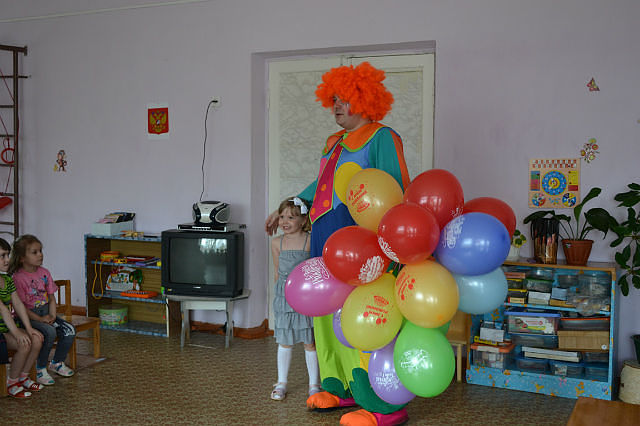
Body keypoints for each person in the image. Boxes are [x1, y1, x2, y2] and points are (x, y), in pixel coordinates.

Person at [265, 62, 411, 426]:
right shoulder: (334, 144)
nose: (337, 106)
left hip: (360, 247)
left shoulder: (382, 137)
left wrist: (391, 249)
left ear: (367, 100)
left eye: (345, 99)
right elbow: (318, 189)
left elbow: (395, 192)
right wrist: (286, 207)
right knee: (327, 316)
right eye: (334, 100)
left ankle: (382, 405)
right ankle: (340, 386)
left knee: (360, 318)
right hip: (324, 241)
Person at [269, 197, 321, 401]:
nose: (285, 221)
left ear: (303, 220)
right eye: (282, 217)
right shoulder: (277, 242)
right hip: (284, 299)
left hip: (306, 298)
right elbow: (277, 272)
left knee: (310, 342)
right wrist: (278, 300)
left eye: (291, 217)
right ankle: (281, 382)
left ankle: (314, 385)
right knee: (285, 342)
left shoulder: (310, 240)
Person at [10, 234, 76, 386]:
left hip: (46, 313)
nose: (40, 255)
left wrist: (52, 315)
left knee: (69, 330)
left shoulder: (44, 273)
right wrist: (40, 319)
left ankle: (56, 362)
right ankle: (40, 369)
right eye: (34, 252)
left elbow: (51, 297)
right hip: (28, 317)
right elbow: (21, 308)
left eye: (40, 251)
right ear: (22, 258)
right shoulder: (18, 278)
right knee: (50, 332)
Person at [0, 237, 44, 398]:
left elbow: (18, 304)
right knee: (23, 344)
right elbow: (3, 309)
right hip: (2, 331)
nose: (7, 260)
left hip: (7, 327)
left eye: (8, 255)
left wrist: (29, 328)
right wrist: (17, 333)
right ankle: (11, 382)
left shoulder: (7, 280)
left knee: (36, 339)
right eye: (2, 256)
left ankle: (23, 377)